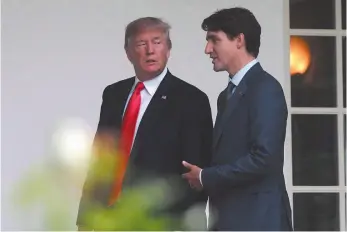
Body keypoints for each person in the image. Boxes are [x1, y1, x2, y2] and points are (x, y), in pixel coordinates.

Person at [76, 17, 213, 230]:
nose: (150, 50)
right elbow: (100, 162)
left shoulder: (191, 100)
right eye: (141, 44)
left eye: (157, 42)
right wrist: (85, 220)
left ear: (168, 49)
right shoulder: (114, 94)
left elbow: (195, 176)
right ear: (128, 52)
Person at [182, 7, 293, 231]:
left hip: (258, 221)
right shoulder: (226, 95)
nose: (207, 49)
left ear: (239, 40)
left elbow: (264, 159)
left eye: (214, 40)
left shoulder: (265, 88)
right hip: (230, 221)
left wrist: (206, 176)